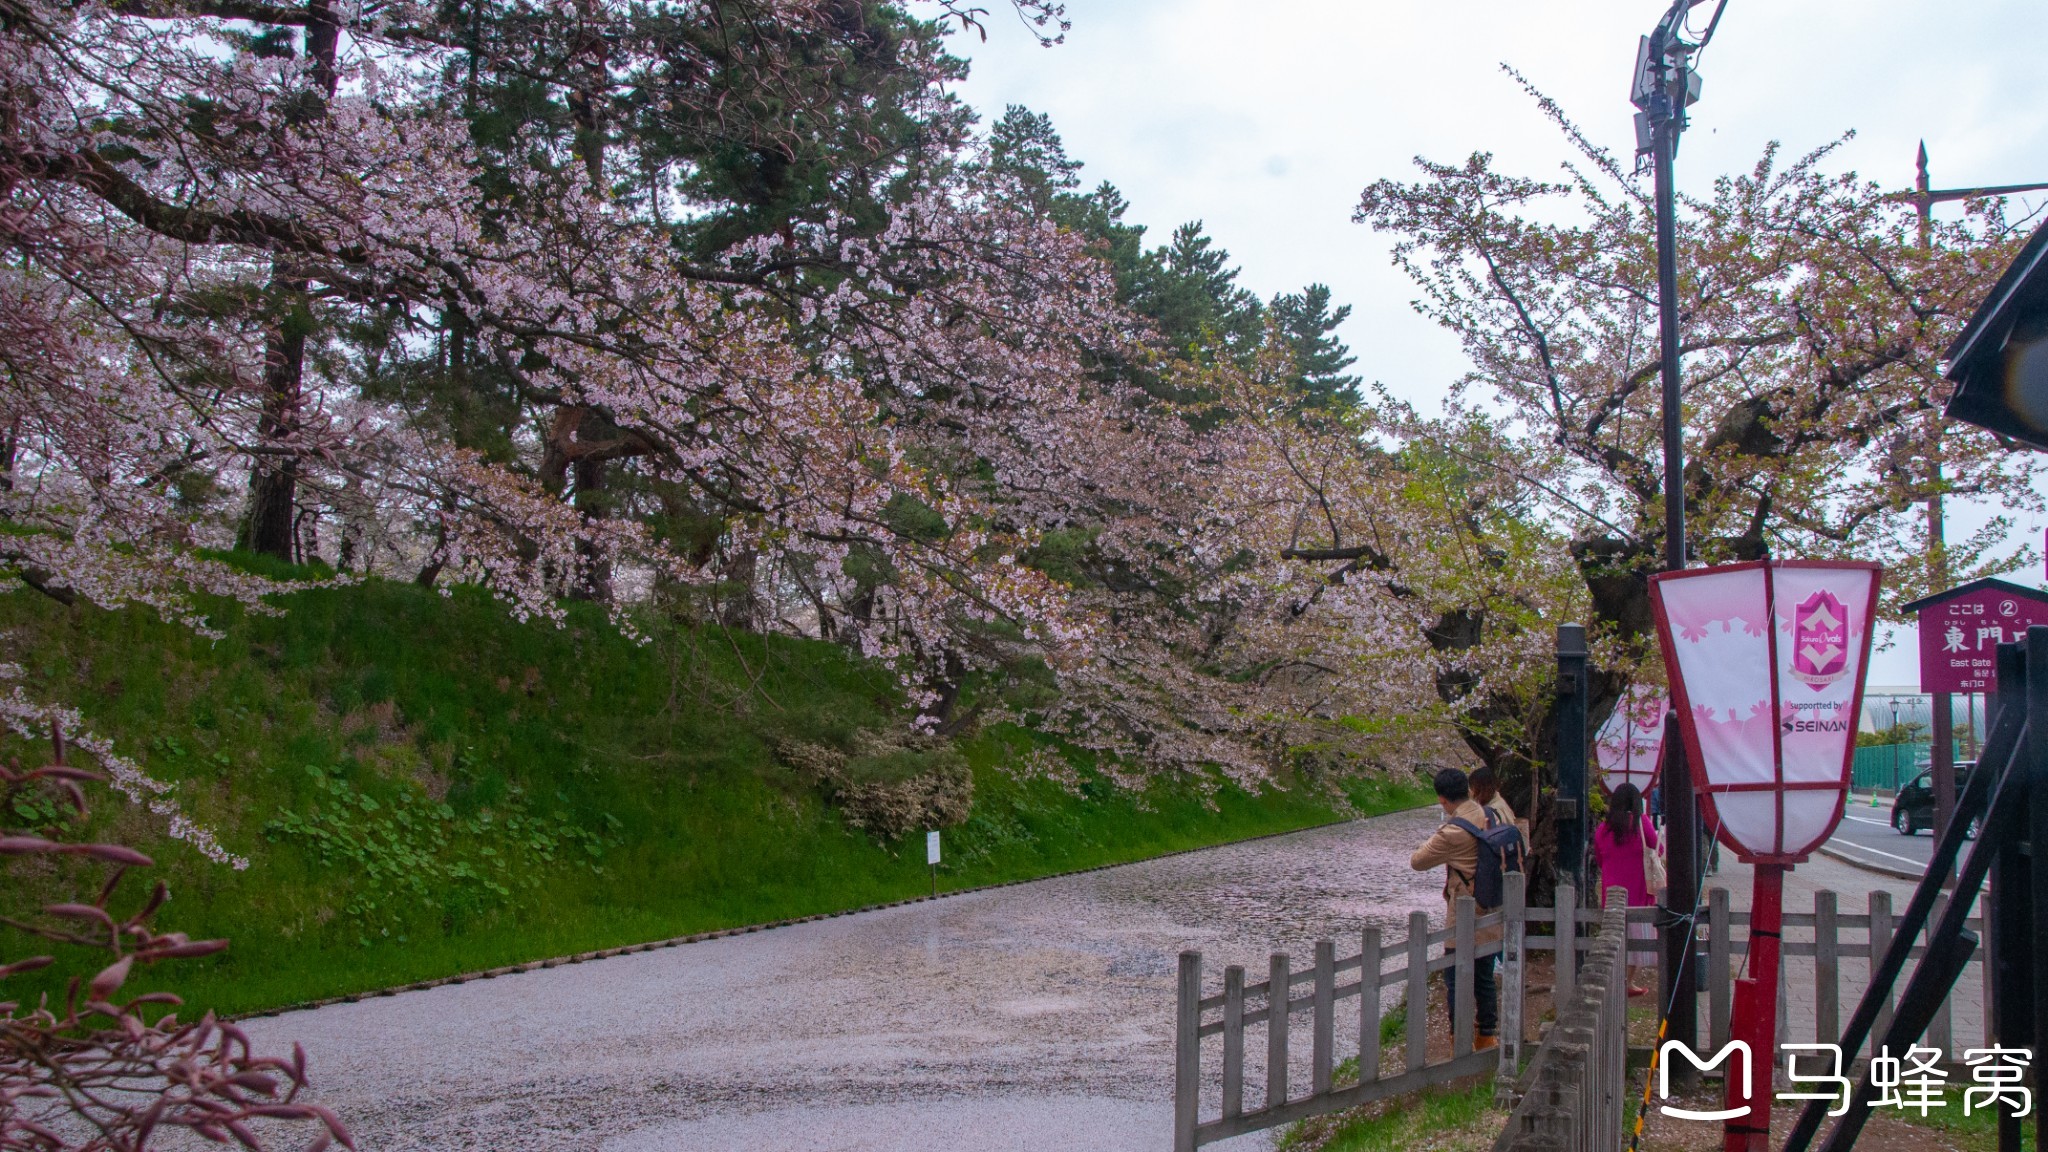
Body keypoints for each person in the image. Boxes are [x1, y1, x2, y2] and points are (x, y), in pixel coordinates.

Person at [1409, 767, 1499, 1050]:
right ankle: (1487, 1035)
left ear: (1442, 800)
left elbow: (1418, 861)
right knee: (1484, 974)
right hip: (1493, 905)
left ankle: (1459, 1039)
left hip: (1465, 912)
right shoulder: (1490, 814)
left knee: (1455, 974)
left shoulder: (1452, 832)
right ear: (1469, 790)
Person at [1590, 782, 1660, 996]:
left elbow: (1600, 858)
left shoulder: (1604, 828)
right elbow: (1658, 846)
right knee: (1636, 941)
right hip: (1637, 891)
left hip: (1612, 893)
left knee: (1615, 938)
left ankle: (1618, 981)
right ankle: (1626, 982)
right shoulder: (1641, 823)